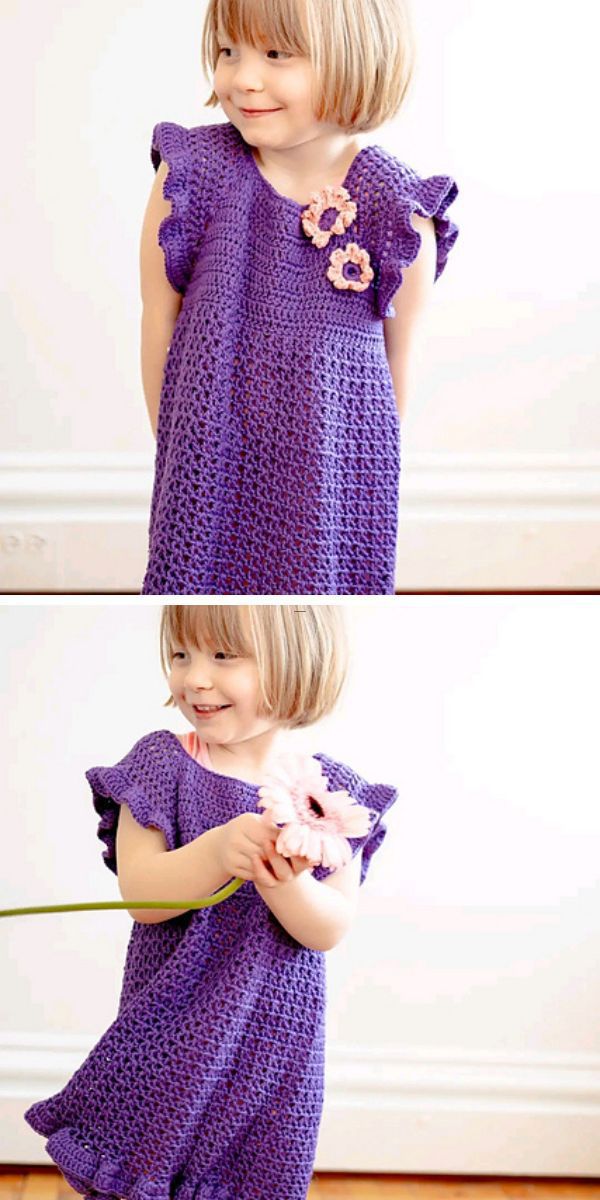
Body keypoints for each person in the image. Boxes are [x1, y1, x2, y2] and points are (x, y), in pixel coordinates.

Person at [23, 603, 399, 1200]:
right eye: (181, 654)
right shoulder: (161, 766)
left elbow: (327, 928)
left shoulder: (332, 798)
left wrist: (282, 882)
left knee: (246, 1178)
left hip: (271, 1045)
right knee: (147, 1163)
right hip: (174, 1032)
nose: (195, 677)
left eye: (223, 655)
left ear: (296, 661)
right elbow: (143, 897)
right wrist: (218, 851)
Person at [139, 0, 460, 596]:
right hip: (207, 462)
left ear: (355, 59)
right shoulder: (193, 175)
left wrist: (362, 475)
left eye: (276, 54)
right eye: (228, 50)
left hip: (331, 478)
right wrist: (178, 448)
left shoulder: (397, 210)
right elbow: (159, 316)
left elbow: (398, 361)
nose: (242, 78)